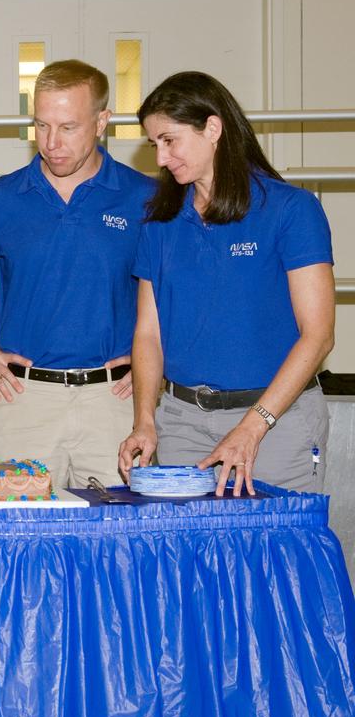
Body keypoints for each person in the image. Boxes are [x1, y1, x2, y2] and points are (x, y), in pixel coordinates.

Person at [0, 60, 155, 488]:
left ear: (102, 122)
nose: (52, 143)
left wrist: (158, 366)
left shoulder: (146, 199)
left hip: (115, 404)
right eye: (41, 125)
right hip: (23, 402)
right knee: (17, 549)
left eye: (69, 127)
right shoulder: (0, 199)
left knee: (115, 550)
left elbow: (179, 294)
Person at [118, 71, 334, 496]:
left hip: (278, 424)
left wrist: (253, 428)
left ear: (212, 128)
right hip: (182, 423)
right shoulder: (159, 224)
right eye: (153, 144)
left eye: (169, 140)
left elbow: (319, 336)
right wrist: (144, 420)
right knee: (190, 560)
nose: (160, 158)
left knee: (276, 558)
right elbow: (148, 334)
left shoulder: (292, 211)